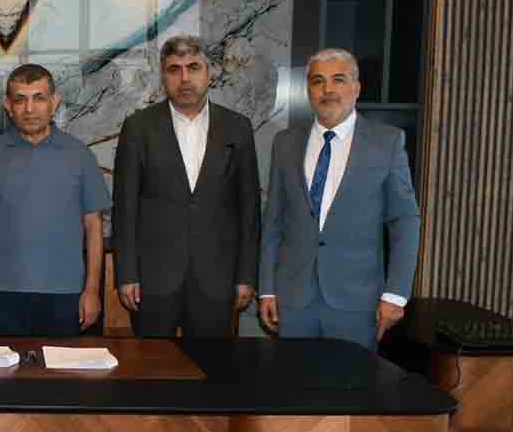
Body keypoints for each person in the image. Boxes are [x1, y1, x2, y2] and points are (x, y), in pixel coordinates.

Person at [259, 48, 421, 351]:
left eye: (338, 79)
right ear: (308, 90)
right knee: (293, 380)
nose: (328, 89)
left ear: (356, 88)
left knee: (352, 381)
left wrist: (396, 294)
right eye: (318, 81)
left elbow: (405, 221)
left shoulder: (387, 142)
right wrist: (267, 288)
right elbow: (274, 220)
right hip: (294, 300)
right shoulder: (285, 143)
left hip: (358, 303)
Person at [113, 35, 261, 338]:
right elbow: (125, 208)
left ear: (210, 72)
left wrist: (246, 276)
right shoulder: (138, 127)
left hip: (217, 279)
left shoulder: (237, 127)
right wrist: (126, 274)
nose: (184, 78)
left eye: (193, 67)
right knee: (151, 365)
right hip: (153, 281)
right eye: (174, 69)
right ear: (163, 76)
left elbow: (249, 208)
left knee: (211, 365)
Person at [0, 64, 110, 336]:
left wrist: (92, 291)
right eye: (20, 99)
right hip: (0, 294)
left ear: (54, 103)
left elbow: (94, 227)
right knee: (2, 365)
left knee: (62, 365)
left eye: (39, 98)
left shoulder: (80, 156)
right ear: (8, 105)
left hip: (66, 294)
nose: (29, 109)